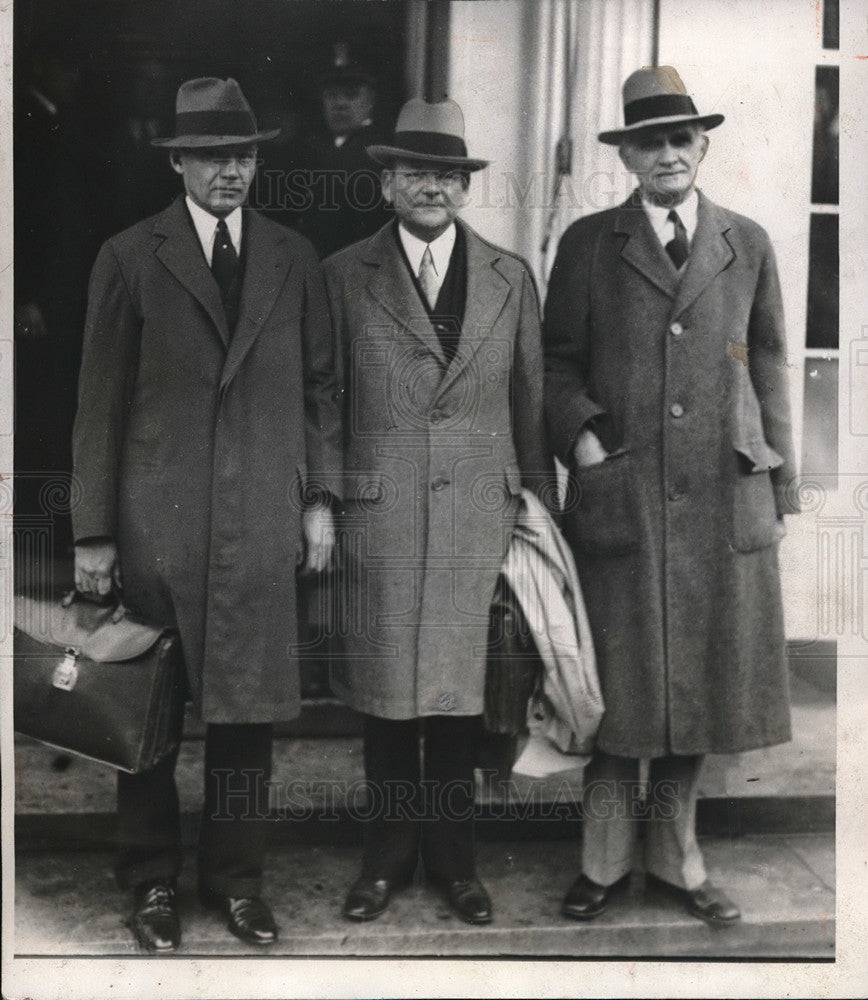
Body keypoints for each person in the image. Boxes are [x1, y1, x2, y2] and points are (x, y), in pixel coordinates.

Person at [71, 77, 342, 952]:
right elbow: (97, 405)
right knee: (146, 712)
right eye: (214, 156)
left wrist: (319, 504)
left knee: (246, 714)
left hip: (262, 521)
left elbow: (320, 392)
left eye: (245, 154)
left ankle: (237, 882)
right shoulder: (128, 254)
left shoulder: (294, 256)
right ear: (180, 161)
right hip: (159, 527)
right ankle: (150, 883)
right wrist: (93, 533)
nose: (231, 170)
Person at [542, 66, 799, 927]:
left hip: (725, 497)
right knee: (620, 695)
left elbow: (765, 363)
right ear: (627, 155)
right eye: (647, 141)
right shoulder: (588, 244)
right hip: (624, 498)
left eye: (679, 138)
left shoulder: (746, 242)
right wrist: (580, 433)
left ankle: (678, 860)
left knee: (697, 692)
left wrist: (779, 480)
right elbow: (556, 361)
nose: (665, 154)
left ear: (703, 146)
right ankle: (604, 864)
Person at [323, 98, 549, 925]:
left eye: (448, 174)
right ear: (387, 181)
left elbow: (530, 401)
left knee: (459, 700)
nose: (433, 187)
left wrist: (540, 508)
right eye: (416, 172)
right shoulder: (342, 276)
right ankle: (384, 861)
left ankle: (457, 865)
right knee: (387, 701)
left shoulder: (509, 276)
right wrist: (321, 498)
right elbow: (323, 399)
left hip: (477, 518)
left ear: (465, 186)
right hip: (379, 516)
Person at [291, 47, 392, 258]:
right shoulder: (311, 148)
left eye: (351, 94)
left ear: (371, 99)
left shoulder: (381, 154)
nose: (340, 103)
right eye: (332, 95)